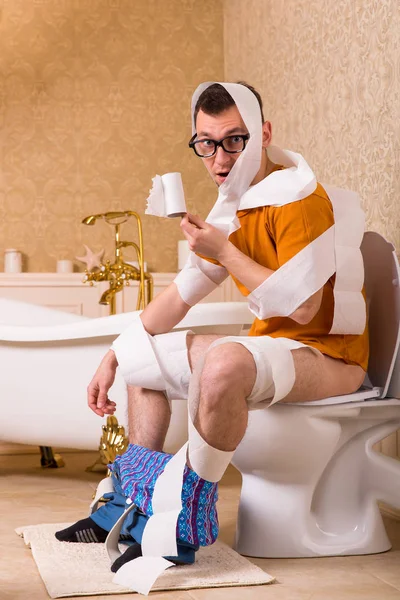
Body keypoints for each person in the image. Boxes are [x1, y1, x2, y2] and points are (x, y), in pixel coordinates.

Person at [56, 82, 368, 574]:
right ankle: (132, 501)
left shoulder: (299, 199)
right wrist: (117, 353)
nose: (219, 157)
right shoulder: (236, 208)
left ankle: (185, 520)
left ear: (263, 134)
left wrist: (224, 250)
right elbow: (177, 299)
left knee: (224, 360)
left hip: (332, 359)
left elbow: (305, 310)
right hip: (276, 351)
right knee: (146, 353)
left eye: (234, 140)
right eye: (206, 142)